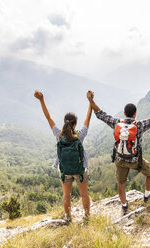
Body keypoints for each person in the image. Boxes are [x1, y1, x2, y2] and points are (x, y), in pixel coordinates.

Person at [86, 88, 150, 214]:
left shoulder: (117, 123)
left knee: (121, 183)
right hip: (135, 160)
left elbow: (100, 114)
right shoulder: (140, 125)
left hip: (119, 160)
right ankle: (146, 197)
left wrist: (91, 100)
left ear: (124, 113)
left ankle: (124, 205)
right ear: (135, 114)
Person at [34, 90, 91, 223]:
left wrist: (41, 100)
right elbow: (87, 119)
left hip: (64, 170)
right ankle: (87, 217)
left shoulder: (59, 135)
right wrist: (90, 102)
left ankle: (68, 217)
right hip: (81, 169)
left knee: (67, 195)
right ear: (75, 124)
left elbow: (48, 117)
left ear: (65, 123)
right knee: (84, 194)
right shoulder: (79, 135)